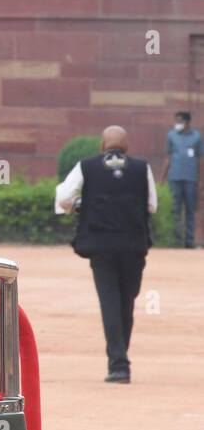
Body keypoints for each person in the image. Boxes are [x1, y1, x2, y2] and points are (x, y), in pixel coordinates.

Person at [55, 125, 157, 383]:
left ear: (102, 146)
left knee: (109, 301)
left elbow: (64, 197)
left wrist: (79, 205)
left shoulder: (87, 166)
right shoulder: (141, 167)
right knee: (126, 302)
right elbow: (152, 206)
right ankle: (120, 358)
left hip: (100, 247)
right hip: (133, 246)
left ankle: (118, 364)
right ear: (127, 147)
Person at [162, 110, 200, 248]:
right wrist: (162, 177)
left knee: (190, 210)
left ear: (187, 122)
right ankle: (177, 240)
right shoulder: (171, 135)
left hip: (191, 178)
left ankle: (189, 241)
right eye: (176, 121)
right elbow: (168, 157)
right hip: (174, 177)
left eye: (180, 121)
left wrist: (201, 180)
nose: (177, 124)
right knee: (175, 209)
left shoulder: (196, 136)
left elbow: (199, 159)